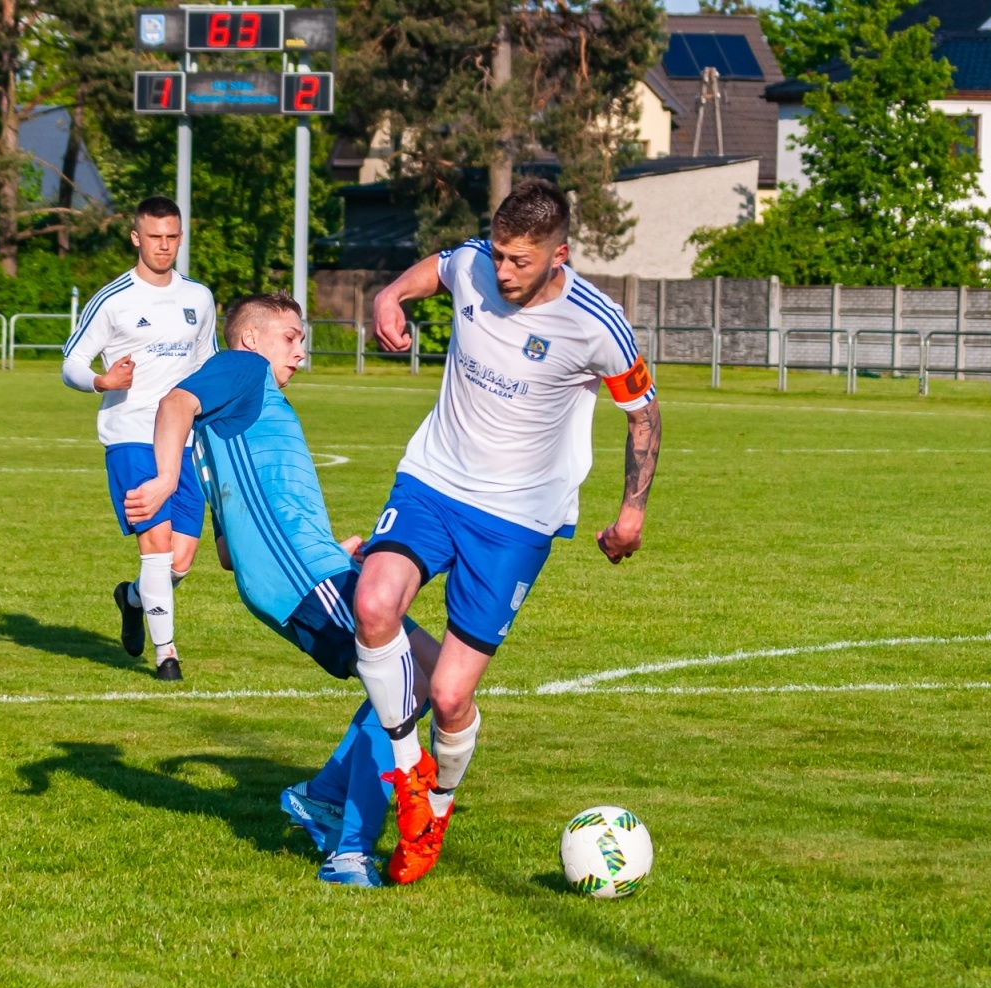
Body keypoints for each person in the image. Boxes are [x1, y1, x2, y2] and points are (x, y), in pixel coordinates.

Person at [354, 179, 663, 884]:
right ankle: (407, 776)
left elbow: (643, 416)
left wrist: (632, 511)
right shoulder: (472, 264)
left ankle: (437, 805)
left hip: (517, 519)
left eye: (520, 260)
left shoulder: (597, 323)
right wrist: (389, 296)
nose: (502, 272)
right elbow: (438, 266)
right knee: (374, 605)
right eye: (497, 255)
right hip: (433, 481)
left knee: (453, 696)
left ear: (561, 254)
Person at [124, 292, 441, 887]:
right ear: (251, 340)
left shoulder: (242, 409)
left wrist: (333, 549)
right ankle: (348, 851)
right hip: (304, 577)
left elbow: (224, 553)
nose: (302, 351)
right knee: (401, 685)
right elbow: (174, 402)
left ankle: (323, 796)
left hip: (315, 567)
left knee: (437, 676)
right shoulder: (240, 369)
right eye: (292, 337)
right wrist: (166, 479)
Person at [62, 196, 218, 681]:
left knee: (183, 559)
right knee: (156, 545)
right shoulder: (113, 299)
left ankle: (131, 599)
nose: (164, 246)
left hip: (186, 441)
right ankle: (166, 654)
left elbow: (207, 367)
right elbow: (71, 363)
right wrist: (102, 382)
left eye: (172, 236)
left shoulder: (199, 298)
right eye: (155, 237)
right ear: (136, 237)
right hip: (131, 435)